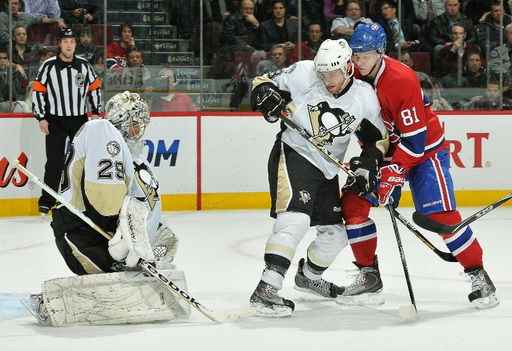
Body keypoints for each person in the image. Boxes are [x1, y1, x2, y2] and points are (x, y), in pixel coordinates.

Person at [348, 22, 498, 309]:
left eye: (365, 55)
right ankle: (368, 276)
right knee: (354, 204)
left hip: (425, 151)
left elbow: (415, 141)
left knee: (441, 218)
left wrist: (395, 172)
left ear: (381, 51)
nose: (359, 61)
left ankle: (479, 276)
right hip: (388, 150)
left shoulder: (400, 79)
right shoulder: (354, 69)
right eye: (355, 54)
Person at [249, 38, 388, 317]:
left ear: (349, 67)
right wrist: (266, 93)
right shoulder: (303, 72)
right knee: (296, 220)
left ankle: (308, 276)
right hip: (294, 154)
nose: (326, 79)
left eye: (333, 73)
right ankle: (267, 288)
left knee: (335, 235)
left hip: (326, 168)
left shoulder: (365, 97)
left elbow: (378, 140)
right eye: (323, 73)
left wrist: (368, 164)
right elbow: (260, 82)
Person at [22, 91, 186, 326]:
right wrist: (122, 240)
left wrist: (149, 236)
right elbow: (104, 204)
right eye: (135, 124)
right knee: (124, 284)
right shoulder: (100, 132)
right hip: (82, 232)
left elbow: (139, 208)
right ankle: (51, 302)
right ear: (122, 121)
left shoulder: (138, 161)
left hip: (107, 236)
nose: (139, 132)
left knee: (136, 276)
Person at [33, 28, 101, 216]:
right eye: (65, 41)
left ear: (75, 44)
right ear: (60, 44)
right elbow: (38, 91)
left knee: (82, 161)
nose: (68, 45)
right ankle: (47, 201)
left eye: (71, 41)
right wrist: (41, 117)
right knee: (54, 162)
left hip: (79, 120)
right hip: (55, 121)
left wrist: (95, 112)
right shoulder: (48, 66)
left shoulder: (84, 65)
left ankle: (84, 199)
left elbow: (94, 88)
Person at [0, 0, 66, 49]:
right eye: (10, 4)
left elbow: (40, 19)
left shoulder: (24, 17)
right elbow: (4, 37)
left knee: (39, 46)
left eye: (15, 4)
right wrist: (18, 42)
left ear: (20, 5)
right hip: (8, 48)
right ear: (6, 5)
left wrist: (56, 20)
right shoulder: (2, 16)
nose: (13, 6)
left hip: (23, 46)